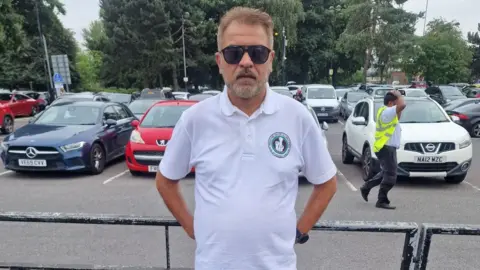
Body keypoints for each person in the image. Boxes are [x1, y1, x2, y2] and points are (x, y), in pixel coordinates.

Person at [155, 7, 337, 270]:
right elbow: (165, 181)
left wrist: (298, 231)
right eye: (234, 53)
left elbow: (327, 183)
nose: (246, 62)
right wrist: (193, 228)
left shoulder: (298, 118)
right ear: (219, 61)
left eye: (258, 53)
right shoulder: (195, 119)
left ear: (271, 60)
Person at [360, 90, 406, 210]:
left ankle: (366, 187)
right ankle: (381, 200)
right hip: (386, 147)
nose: (397, 104)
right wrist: (398, 95)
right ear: (391, 102)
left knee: (386, 172)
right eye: (395, 102)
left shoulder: (387, 111)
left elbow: (399, 114)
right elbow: (402, 105)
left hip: (386, 147)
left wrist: (397, 100)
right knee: (391, 175)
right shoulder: (387, 111)